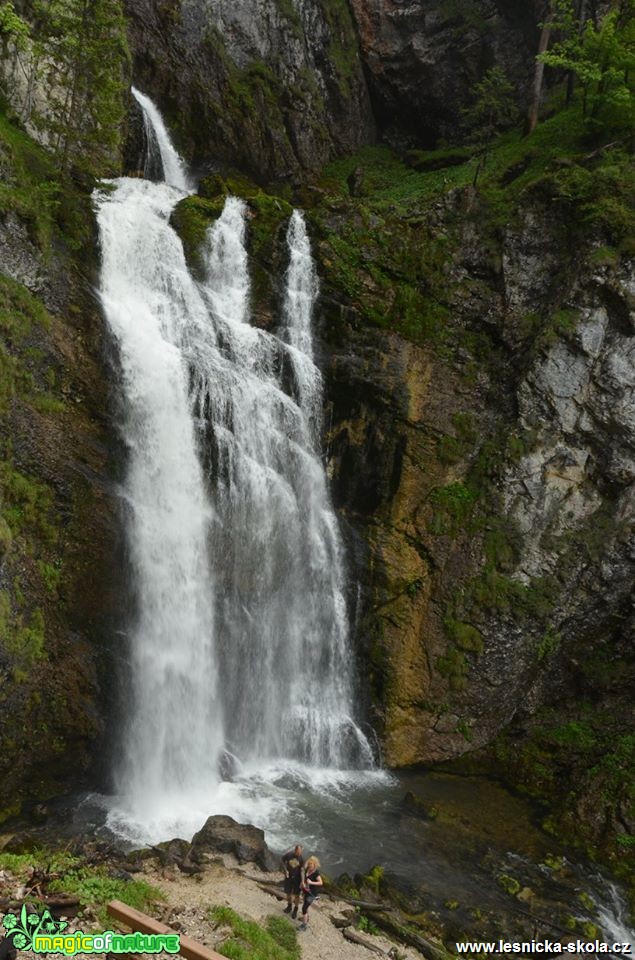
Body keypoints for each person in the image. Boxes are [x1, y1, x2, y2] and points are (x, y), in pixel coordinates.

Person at [299, 855, 323, 932]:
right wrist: (302, 883)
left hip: (312, 894)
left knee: (304, 908)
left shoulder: (316, 873)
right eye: (309, 863)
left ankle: (304, 925)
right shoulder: (307, 870)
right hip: (306, 891)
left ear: (315, 865)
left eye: (311, 864)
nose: (309, 865)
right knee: (305, 905)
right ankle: (306, 917)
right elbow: (303, 875)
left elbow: (321, 883)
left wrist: (311, 882)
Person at [281, 844, 304, 919]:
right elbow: (282, 860)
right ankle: (289, 906)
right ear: (295, 850)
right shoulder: (289, 855)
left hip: (297, 879)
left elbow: (302, 871)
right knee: (288, 893)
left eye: (300, 852)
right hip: (288, 877)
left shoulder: (301, 859)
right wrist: (285, 870)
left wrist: (302, 881)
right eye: (298, 852)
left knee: (297, 895)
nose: (299, 854)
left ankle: (295, 910)